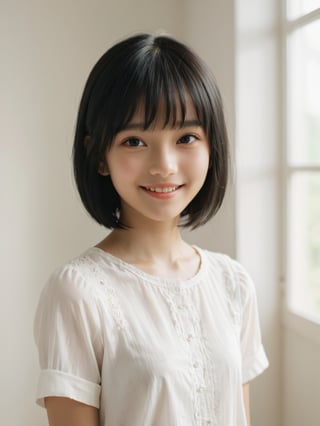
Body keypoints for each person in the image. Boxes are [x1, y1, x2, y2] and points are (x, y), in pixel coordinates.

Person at [34, 33, 269, 426]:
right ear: (99, 155)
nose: (164, 165)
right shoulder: (77, 292)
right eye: (135, 141)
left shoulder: (233, 284)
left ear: (213, 146)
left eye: (187, 138)